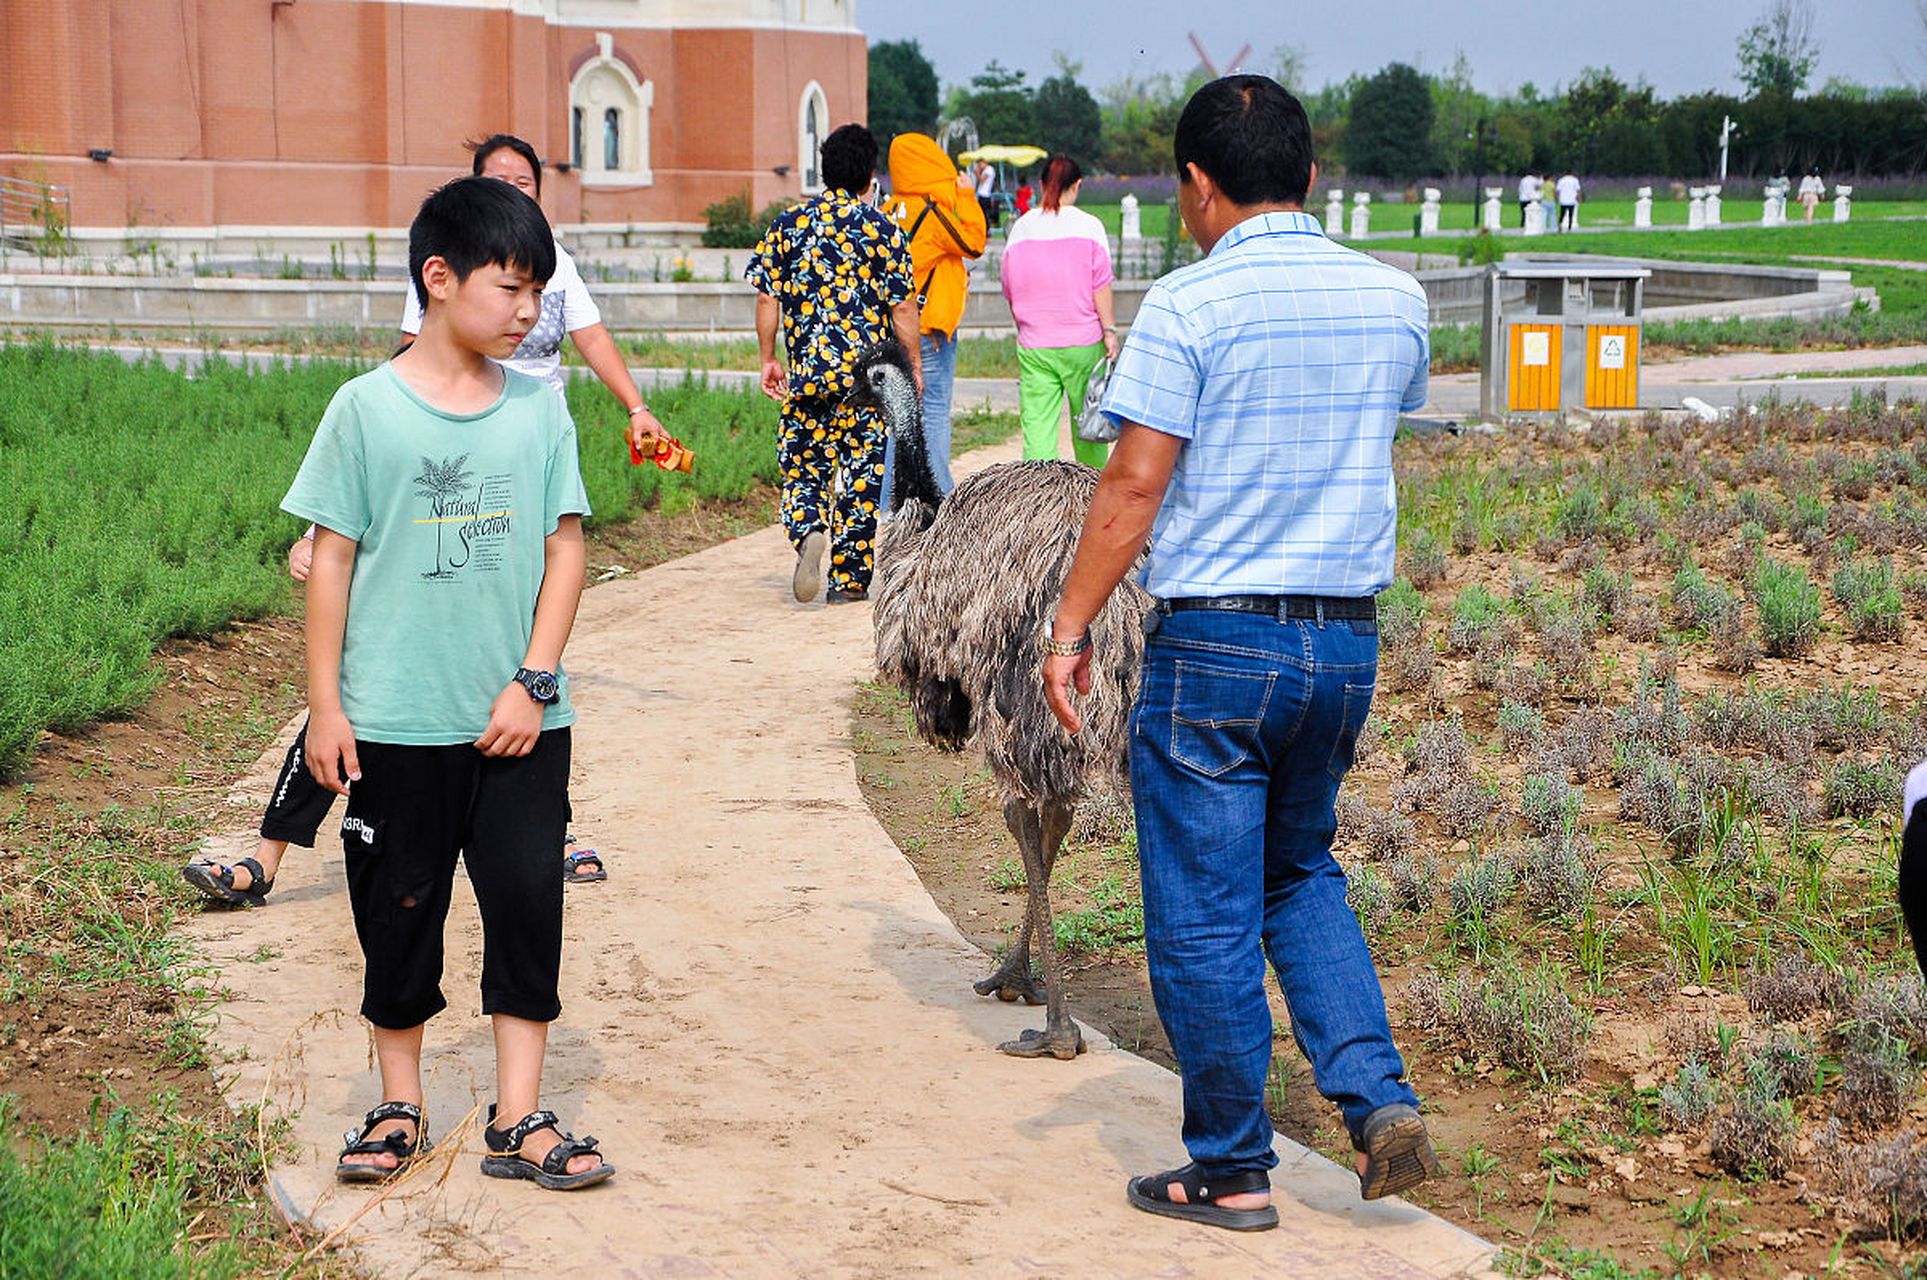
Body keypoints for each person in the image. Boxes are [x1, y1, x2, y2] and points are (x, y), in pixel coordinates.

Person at [1041, 74, 1437, 1231]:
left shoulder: (1188, 305)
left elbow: (1133, 480)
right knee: (1300, 871)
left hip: (1217, 644)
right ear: (1309, 178)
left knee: (1205, 910)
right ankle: (1376, 1102)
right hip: (1342, 643)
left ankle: (1229, 1164)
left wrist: (1067, 631)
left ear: (1197, 188)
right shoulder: (1394, 298)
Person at [181, 134, 634, 906]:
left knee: (521, 693)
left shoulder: (547, 297)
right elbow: (395, 388)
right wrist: (331, 527)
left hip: (513, 485)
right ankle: (266, 857)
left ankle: (542, 838)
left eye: (526, 182)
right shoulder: (443, 286)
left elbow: (591, 342)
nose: (515, 194)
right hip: (433, 501)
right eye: (499, 182)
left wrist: (637, 406)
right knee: (357, 699)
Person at [286, 175, 613, 1190]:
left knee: (525, 902)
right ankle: (399, 1102)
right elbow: (330, 559)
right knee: (398, 906)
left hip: (520, 720)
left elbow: (568, 550)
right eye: (512, 287)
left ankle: (519, 1116)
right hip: (394, 719)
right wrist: (328, 708)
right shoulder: (364, 410)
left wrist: (533, 677)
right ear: (438, 277)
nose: (529, 311)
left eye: (538, 291)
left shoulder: (536, 413)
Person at [748, 123, 919, 604]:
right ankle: (848, 583)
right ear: (869, 176)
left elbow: (767, 298)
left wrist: (767, 358)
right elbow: (903, 308)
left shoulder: (788, 225)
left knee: (802, 467)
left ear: (823, 170)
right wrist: (913, 368)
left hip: (808, 377)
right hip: (869, 380)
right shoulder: (884, 230)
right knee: (861, 480)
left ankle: (806, 533)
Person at [881, 132, 988, 508]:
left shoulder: (888, 210)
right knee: (935, 411)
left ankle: (889, 503)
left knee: (897, 415)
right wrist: (966, 196)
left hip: (893, 328)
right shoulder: (932, 212)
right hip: (929, 328)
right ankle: (940, 494)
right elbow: (974, 241)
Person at [1000, 154, 1119, 469]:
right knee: (1089, 426)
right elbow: (1101, 286)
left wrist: (1026, 324)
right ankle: (1091, 496)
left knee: (1038, 428)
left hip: (1035, 344)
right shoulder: (1090, 226)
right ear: (1077, 186)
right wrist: (1110, 331)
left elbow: (1009, 287)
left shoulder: (1021, 228)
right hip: (1084, 342)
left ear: (1041, 185)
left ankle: (1038, 500)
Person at [975, 159, 1001, 230]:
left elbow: (982, 180)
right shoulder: (986, 170)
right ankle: (985, 228)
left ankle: (987, 229)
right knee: (982, 213)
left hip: (984, 195)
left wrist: (977, 173)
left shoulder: (989, 170)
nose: (979, 166)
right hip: (982, 194)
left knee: (984, 214)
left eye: (980, 164)